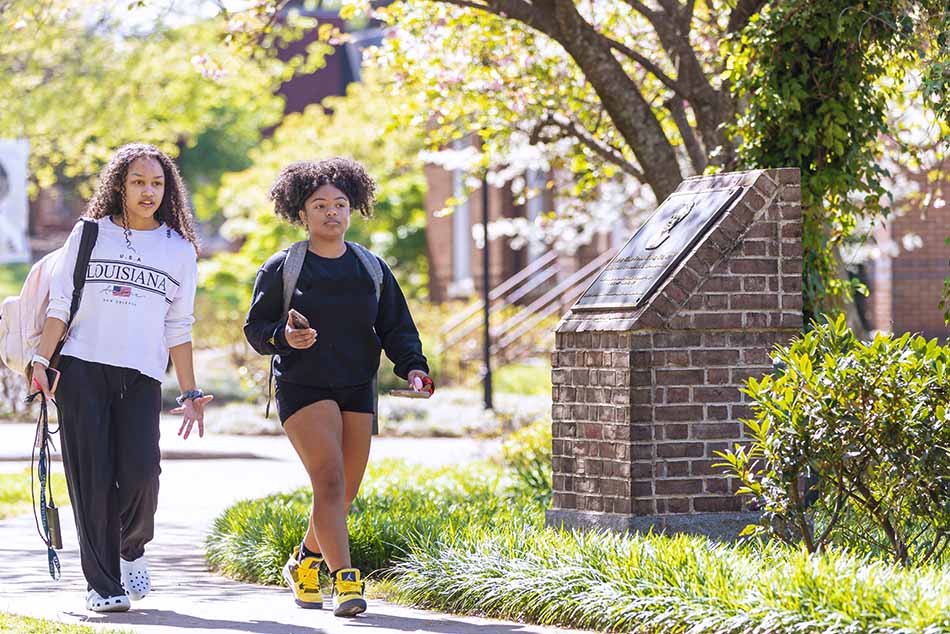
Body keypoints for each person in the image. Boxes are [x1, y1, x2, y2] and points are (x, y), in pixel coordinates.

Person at [244, 157, 433, 618]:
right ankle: (346, 581)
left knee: (343, 492)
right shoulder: (283, 267)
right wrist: (284, 338)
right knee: (328, 480)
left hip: (356, 386)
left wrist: (413, 367)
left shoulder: (371, 267)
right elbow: (256, 328)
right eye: (320, 205)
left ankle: (303, 563)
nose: (331, 213)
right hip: (303, 385)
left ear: (352, 209)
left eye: (340, 204)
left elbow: (397, 328)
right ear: (301, 213)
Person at [31, 143, 213, 612]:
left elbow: (180, 326)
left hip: (141, 376)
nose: (148, 191)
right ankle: (103, 585)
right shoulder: (90, 233)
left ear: (168, 189)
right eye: (138, 181)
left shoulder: (179, 249)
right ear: (120, 185)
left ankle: (132, 547)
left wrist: (190, 391)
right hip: (82, 369)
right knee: (91, 479)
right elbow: (59, 304)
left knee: (141, 477)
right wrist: (40, 360)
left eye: (157, 183)